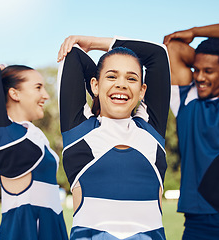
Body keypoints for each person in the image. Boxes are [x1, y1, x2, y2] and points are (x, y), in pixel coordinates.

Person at [57, 35, 170, 240]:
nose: (122, 84)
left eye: (132, 78)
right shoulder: (79, 131)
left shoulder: (151, 131)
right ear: (94, 85)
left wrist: (93, 44)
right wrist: (103, 84)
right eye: (112, 76)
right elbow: (73, 56)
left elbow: (158, 55)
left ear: (142, 90)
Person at [163, 22, 219, 239]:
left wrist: (195, 33)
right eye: (196, 69)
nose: (199, 77)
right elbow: (173, 47)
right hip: (196, 224)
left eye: (208, 71)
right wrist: (205, 59)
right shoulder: (185, 99)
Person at [0, 51, 68, 240]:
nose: (46, 95)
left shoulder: (31, 134)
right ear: (14, 93)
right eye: (38, 87)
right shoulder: (10, 137)